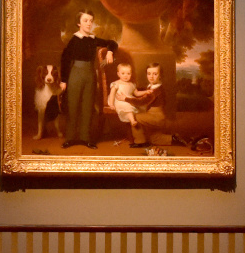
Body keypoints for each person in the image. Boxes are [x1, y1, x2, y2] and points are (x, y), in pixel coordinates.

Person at [59, 10, 117, 149]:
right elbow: (65, 59)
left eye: (91, 20)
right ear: (79, 23)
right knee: (73, 107)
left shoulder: (93, 39)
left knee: (88, 107)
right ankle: (70, 138)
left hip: (90, 75)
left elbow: (112, 43)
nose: (89, 23)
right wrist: (64, 80)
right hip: (75, 74)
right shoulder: (74, 40)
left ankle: (86, 138)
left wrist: (110, 51)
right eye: (85, 20)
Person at [118, 63, 185, 148]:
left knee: (134, 117)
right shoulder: (152, 87)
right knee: (153, 138)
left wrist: (125, 98)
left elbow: (142, 101)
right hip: (153, 115)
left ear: (160, 75)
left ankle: (140, 142)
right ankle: (173, 138)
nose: (151, 76)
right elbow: (144, 93)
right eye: (149, 74)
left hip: (157, 117)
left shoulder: (156, 90)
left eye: (155, 74)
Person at [107, 62, 140, 127]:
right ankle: (132, 121)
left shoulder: (132, 84)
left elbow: (137, 93)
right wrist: (111, 104)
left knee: (135, 105)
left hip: (128, 99)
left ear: (131, 74)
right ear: (118, 74)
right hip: (118, 101)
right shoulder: (116, 83)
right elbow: (112, 94)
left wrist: (146, 92)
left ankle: (134, 124)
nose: (126, 75)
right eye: (123, 73)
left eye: (128, 73)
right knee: (127, 106)